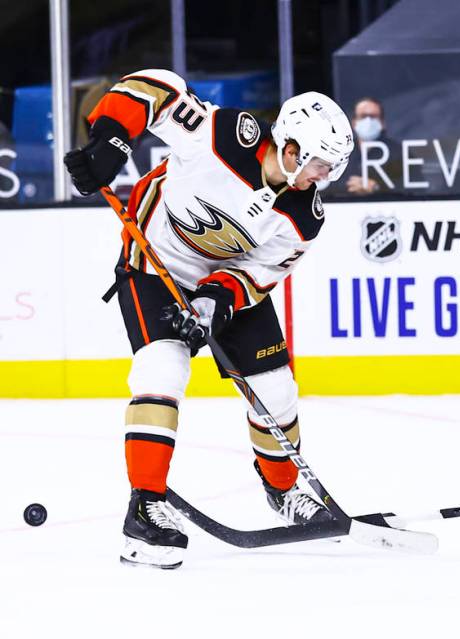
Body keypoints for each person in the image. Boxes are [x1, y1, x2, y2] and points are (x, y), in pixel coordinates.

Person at [62, 68, 353, 569]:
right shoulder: (222, 137)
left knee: (277, 388)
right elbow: (153, 86)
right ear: (292, 149)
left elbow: (259, 272)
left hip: (225, 284)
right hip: (155, 262)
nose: (323, 178)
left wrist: (217, 299)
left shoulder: (306, 217)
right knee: (162, 369)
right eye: (321, 165)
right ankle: (145, 508)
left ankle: (283, 491)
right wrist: (111, 141)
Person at [344, 96, 397, 195]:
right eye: (363, 116)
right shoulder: (341, 151)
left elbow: (414, 190)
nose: (368, 121)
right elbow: (327, 183)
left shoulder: (399, 153)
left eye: (373, 116)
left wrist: (377, 188)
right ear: (354, 122)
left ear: (382, 123)